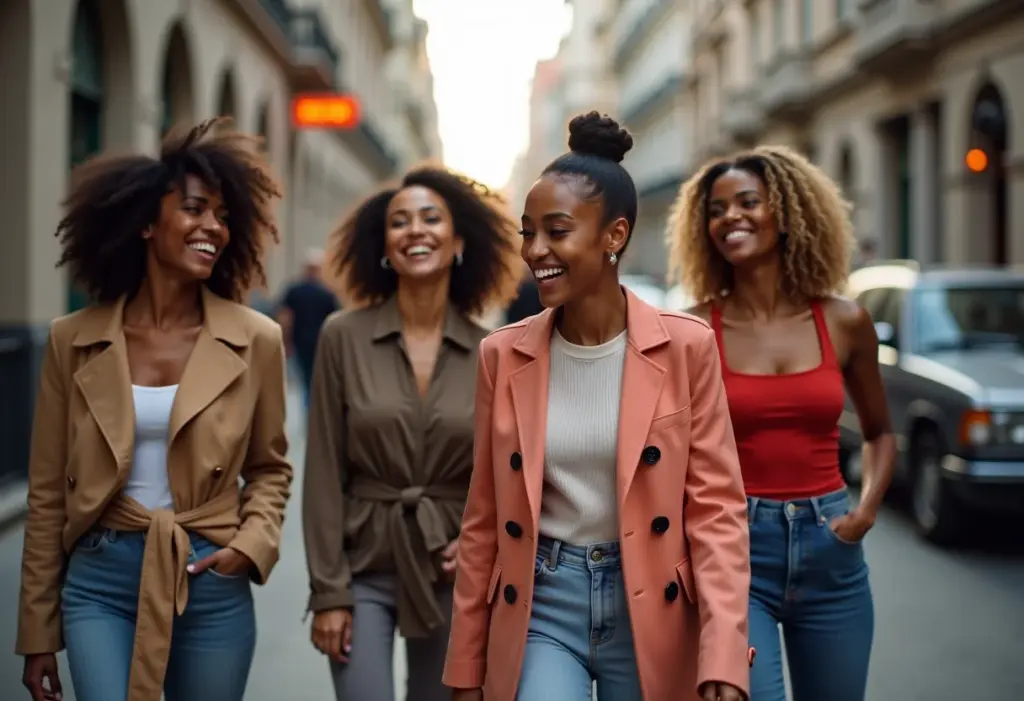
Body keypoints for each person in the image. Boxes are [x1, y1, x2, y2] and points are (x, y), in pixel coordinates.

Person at [444, 112, 752, 701]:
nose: (536, 251)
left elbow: (716, 512)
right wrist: (466, 667)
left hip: (653, 600)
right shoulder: (501, 355)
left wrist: (724, 654)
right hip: (541, 601)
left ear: (614, 236)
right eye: (527, 233)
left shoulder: (687, 346)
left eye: (556, 231)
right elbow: (483, 517)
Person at [16, 118, 293, 701]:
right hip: (100, 580)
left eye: (222, 215)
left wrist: (250, 545)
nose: (212, 227)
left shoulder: (256, 339)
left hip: (208, 576)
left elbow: (270, 468)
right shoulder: (73, 340)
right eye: (194, 209)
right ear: (146, 222)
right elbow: (46, 492)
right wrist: (37, 630)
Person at [667, 145, 896, 701]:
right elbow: (670, 452)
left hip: (831, 549)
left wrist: (864, 511)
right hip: (735, 551)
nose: (731, 218)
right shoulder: (693, 329)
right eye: (717, 210)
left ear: (788, 213)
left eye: (749, 202)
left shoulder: (845, 321)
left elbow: (879, 433)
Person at [302, 164, 521, 701]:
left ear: (460, 241)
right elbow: (324, 472)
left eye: (431, 219)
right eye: (399, 222)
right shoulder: (342, 337)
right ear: (384, 246)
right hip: (362, 566)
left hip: (452, 570)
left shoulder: (492, 350)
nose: (415, 230)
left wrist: (480, 543)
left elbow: (504, 474)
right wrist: (328, 593)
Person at [277, 248, 340, 405]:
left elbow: (285, 318)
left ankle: (309, 413)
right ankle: (312, 413)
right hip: (320, 343)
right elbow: (334, 322)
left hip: (300, 342)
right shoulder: (327, 294)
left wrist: (286, 342)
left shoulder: (294, 291)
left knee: (305, 379)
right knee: (315, 381)